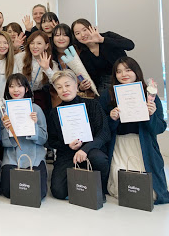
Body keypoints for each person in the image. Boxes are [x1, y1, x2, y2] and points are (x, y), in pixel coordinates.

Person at [99, 57, 169, 204]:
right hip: (119, 145)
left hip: (143, 144)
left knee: (151, 192)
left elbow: (160, 128)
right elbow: (101, 127)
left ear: (136, 71)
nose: (123, 74)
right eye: (118, 71)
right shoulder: (108, 94)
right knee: (121, 187)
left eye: (128, 70)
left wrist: (151, 115)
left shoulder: (149, 94)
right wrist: (111, 118)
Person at [48, 70, 110, 200]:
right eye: (59, 87)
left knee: (99, 159)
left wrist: (84, 149)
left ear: (76, 86)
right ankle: (80, 185)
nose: (64, 89)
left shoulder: (92, 104)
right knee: (58, 191)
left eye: (67, 85)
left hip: (91, 150)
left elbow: (104, 133)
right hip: (67, 153)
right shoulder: (54, 113)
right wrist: (67, 145)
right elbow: (52, 141)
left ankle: (99, 188)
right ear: (57, 92)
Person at [0, 73, 48, 199]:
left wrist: (34, 125)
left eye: (20, 86)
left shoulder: (35, 109)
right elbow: (3, 143)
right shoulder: (4, 111)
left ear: (26, 89)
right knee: (8, 191)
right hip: (12, 157)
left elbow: (44, 139)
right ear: (7, 89)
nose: (16, 90)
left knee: (37, 192)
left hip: (35, 156)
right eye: (12, 86)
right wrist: (6, 129)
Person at [72, 18, 135, 95]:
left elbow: (130, 45)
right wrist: (81, 87)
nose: (83, 34)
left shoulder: (107, 36)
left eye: (85, 30)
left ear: (91, 28)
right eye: (77, 33)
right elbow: (93, 79)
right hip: (105, 86)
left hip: (125, 78)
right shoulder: (84, 55)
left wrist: (102, 40)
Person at [15, 31, 59, 111]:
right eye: (32, 43)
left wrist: (47, 69)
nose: (35, 46)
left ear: (46, 46)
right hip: (19, 96)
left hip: (39, 99)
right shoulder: (19, 58)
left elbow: (58, 84)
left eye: (39, 43)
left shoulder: (52, 63)